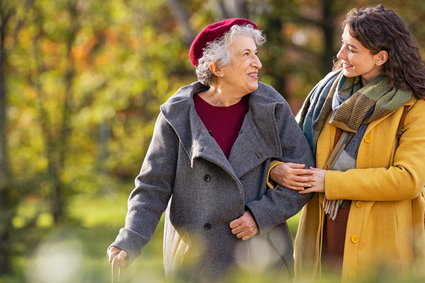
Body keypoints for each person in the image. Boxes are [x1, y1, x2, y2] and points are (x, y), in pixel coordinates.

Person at [107, 18, 314, 282]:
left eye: (256, 53)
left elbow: (303, 175)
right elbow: (152, 187)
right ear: (217, 67)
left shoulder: (272, 106)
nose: (258, 63)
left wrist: (260, 215)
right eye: (246, 54)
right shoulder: (177, 114)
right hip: (197, 260)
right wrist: (129, 239)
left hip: (261, 258)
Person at [269, 5, 425, 282]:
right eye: (342, 44)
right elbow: (288, 147)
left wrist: (330, 182)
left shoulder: (414, 106)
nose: (340, 56)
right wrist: (276, 169)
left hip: (381, 244)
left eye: (351, 49)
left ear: (380, 57)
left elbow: (408, 179)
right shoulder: (327, 95)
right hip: (322, 233)